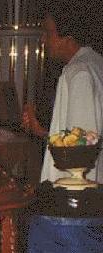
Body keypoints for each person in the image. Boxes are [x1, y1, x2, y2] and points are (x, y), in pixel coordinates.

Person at [22, 1, 103, 183]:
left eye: (48, 33)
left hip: (80, 190)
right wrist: (41, 129)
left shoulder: (79, 73)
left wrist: (40, 131)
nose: (43, 40)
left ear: (68, 38)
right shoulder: (95, 63)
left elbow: (79, 149)